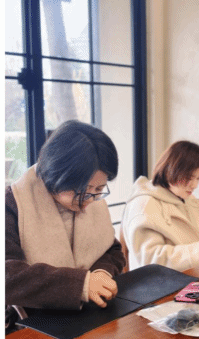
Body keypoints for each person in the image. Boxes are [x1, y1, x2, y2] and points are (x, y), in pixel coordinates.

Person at [6, 120, 126, 324]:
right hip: (28, 324)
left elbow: (111, 250)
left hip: (90, 315)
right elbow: (8, 275)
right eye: (81, 190)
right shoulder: (13, 203)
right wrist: (81, 285)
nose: (89, 200)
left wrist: (101, 273)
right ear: (55, 176)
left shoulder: (92, 200)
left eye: (99, 189)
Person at [122, 141, 199, 271]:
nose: (195, 185)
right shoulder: (144, 206)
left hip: (193, 274)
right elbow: (151, 261)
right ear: (171, 171)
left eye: (198, 178)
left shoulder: (186, 198)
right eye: (189, 178)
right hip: (162, 281)